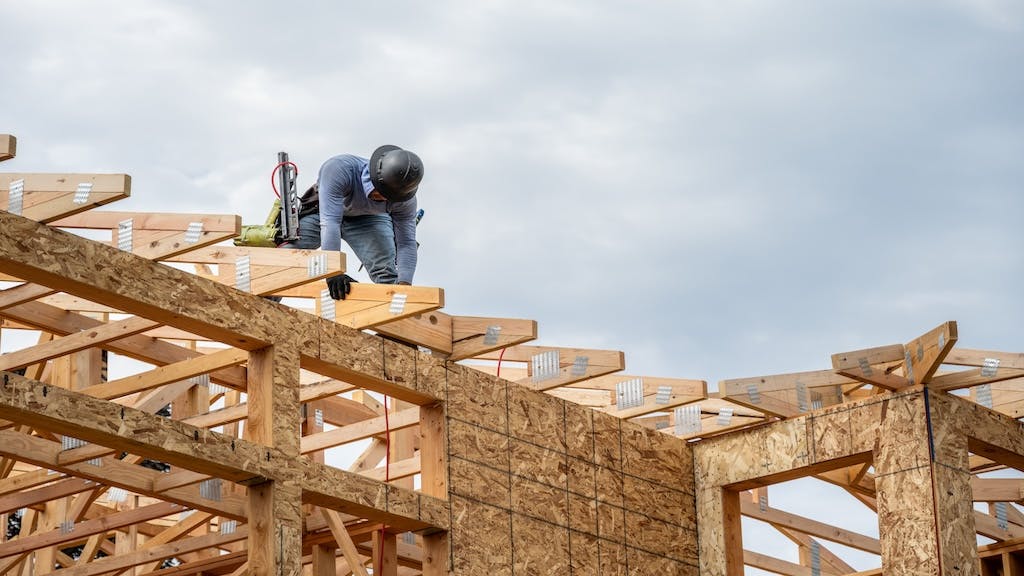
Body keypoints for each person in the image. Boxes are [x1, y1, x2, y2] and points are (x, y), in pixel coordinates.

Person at [317, 145, 424, 300]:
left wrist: (404, 287)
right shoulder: (339, 169)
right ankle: (270, 302)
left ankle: (396, 317)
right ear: (375, 177)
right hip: (325, 212)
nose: (383, 199)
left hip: (369, 219)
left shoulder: (405, 201)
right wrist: (332, 272)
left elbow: (406, 242)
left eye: (389, 197)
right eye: (381, 192)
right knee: (287, 252)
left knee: (388, 276)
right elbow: (330, 222)